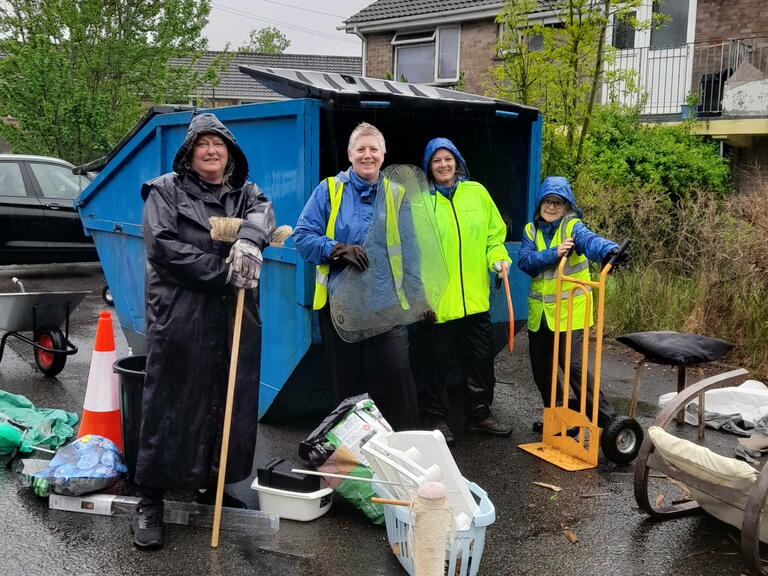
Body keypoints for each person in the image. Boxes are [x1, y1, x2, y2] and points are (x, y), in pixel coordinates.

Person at [132, 113, 275, 549]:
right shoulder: (164, 191)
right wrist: (222, 272)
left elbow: (265, 212)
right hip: (181, 314)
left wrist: (250, 239)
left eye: (219, 144)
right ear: (189, 152)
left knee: (225, 399)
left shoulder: (246, 193)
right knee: (170, 402)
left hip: (232, 316)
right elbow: (162, 247)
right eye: (202, 144)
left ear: (230, 152)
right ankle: (150, 501)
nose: (211, 151)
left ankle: (210, 484)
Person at [293, 122, 420, 431]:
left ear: (384, 154)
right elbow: (302, 237)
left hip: (386, 305)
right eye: (360, 149)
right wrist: (336, 249)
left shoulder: (397, 193)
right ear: (350, 154)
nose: (367, 155)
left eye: (373, 149)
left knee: (396, 373)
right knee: (347, 385)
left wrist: (419, 297)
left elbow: (411, 248)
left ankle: (406, 446)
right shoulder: (329, 190)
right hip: (342, 306)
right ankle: (351, 456)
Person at [417, 137, 513, 446]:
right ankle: (436, 419)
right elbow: (411, 251)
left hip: (475, 300)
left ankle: (479, 415)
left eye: (448, 159)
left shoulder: (477, 193)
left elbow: (493, 235)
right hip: (438, 304)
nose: (444, 165)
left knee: (481, 359)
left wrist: (498, 258)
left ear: (457, 161)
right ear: (429, 167)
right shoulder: (420, 202)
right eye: (437, 161)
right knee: (435, 364)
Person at [517, 176, 621, 433]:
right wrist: (554, 254)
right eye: (547, 202)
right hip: (540, 315)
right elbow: (526, 262)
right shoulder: (531, 230)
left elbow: (590, 240)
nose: (551, 207)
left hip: (571, 312)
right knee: (542, 369)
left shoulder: (573, 227)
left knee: (573, 365)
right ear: (540, 204)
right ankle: (559, 415)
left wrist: (609, 251)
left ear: (566, 207)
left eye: (558, 203)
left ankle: (608, 421)